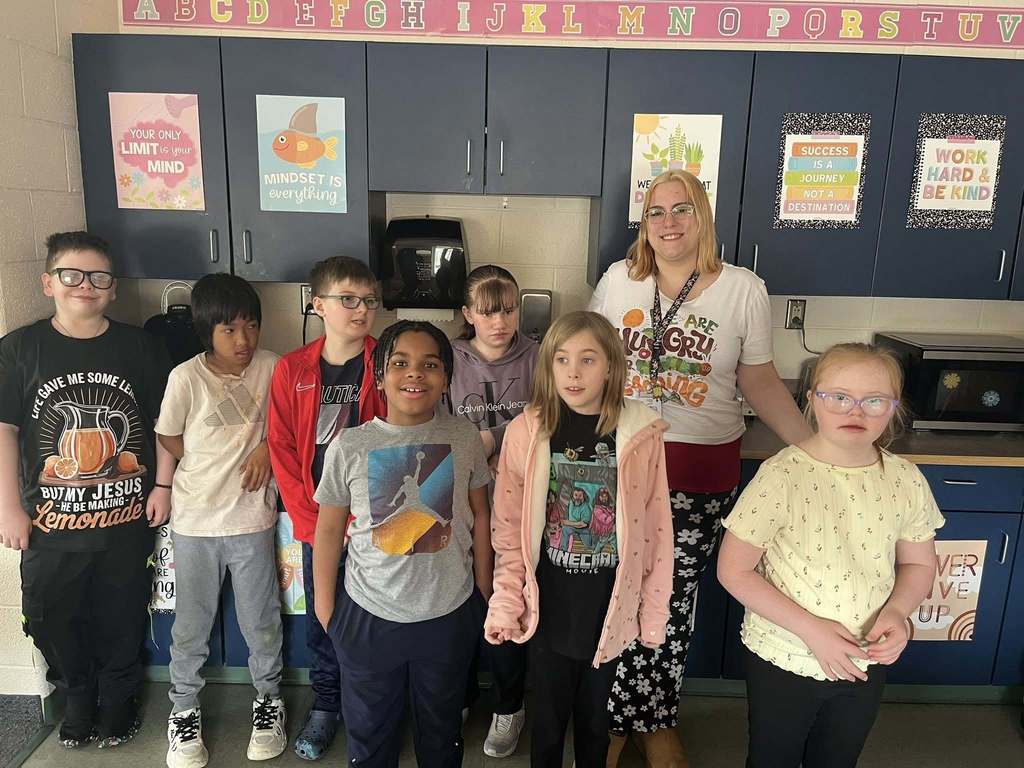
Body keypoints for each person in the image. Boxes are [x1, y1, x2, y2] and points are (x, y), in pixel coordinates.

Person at [589, 170, 812, 766]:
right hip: (619, 466)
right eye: (656, 211)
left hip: (699, 472)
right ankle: (612, 721)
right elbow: (588, 364)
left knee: (670, 602)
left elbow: (758, 378)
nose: (668, 222)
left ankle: (655, 720)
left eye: (681, 209)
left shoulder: (742, 289)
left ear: (703, 216)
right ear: (644, 223)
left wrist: (813, 448)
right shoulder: (618, 281)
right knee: (613, 595)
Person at [718, 342, 943, 768]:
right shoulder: (781, 476)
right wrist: (812, 630)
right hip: (784, 655)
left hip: (865, 654)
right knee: (772, 758)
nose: (855, 411)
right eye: (839, 397)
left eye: (874, 400)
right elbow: (734, 571)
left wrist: (897, 613)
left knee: (838, 757)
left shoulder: (906, 479)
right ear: (812, 400)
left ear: (894, 407)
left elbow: (918, 562)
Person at [0, 231, 173, 748]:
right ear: (48, 282)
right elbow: (5, 431)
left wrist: (162, 485)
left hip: (126, 523)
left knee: (122, 618)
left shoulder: (140, 347)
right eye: (72, 275)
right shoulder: (20, 349)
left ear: (112, 287)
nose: (85, 286)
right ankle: (76, 697)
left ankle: (118, 702)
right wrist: (8, 508)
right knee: (50, 618)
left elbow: (165, 423)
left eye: (98, 277)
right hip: (48, 526)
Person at [485, 311, 673, 768]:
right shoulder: (527, 431)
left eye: (588, 360)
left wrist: (653, 612)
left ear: (610, 367)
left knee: (594, 721)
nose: (573, 372)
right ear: (548, 366)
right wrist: (506, 601)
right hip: (549, 603)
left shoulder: (641, 433)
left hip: (608, 605)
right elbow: (509, 529)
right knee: (548, 722)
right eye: (562, 359)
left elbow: (657, 528)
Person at [312, 321, 494, 768]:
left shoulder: (465, 438)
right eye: (400, 363)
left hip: (448, 613)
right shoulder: (350, 446)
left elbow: (482, 514)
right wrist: (326, 611)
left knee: (441, 733)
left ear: (446, 379)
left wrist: (482, 591)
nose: (415, 373)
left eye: (430, 365)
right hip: (368, 616)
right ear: (379, 377)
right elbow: (329, 530)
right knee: (370, 736)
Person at [157, 274, 284, 767]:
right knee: (191, 626)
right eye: (229, 329)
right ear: (206, 329)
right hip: (195, 521)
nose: (243, 340)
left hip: (252, 520)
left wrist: (268, 447)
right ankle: (183, 711)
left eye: (251, 326)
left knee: (260, 621)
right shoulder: (185, 378)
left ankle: (269, 703)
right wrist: (202, 464)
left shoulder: (272, 366)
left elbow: (292, 422)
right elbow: (168, 436)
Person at [267, 256, 386, 760]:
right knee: (324, 619)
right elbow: (282, 448)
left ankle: (374, 707)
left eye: (369, 301)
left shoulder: (387, 362)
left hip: (377, 522)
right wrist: (311, 519)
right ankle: (326, 704)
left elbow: (399, 442)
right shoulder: (292, 368)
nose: (361, 310)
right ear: (318, 305)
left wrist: (370, 518)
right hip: (319, 524)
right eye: (348, 299)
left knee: (377, 618)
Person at [448, 265, 538, 757]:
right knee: (462, 598)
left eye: (507, 310)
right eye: (487, 312)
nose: (500, 322)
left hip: (519, 502)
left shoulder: (538, 357)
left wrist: (494, 438)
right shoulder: (450, 358)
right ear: (468, 315)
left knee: (510, 596)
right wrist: (473, 449)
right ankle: (461, 695)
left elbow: (549, 414)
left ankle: (509, 704)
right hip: (462, 500)